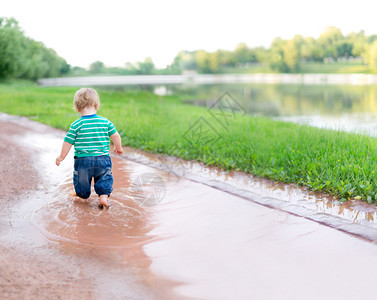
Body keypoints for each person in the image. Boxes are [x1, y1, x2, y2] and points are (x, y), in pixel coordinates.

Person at [56, 88, 123, 208]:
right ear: (97, 106)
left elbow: (67, 142)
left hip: (83, 160)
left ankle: (82, 197)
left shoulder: (76, 125)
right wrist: (118, 148)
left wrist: (61, 156)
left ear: (77, 108)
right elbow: (115, 135)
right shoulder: (105, 122)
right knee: (104, 177)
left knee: (81, 180)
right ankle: (103, 197)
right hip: (102, 159)